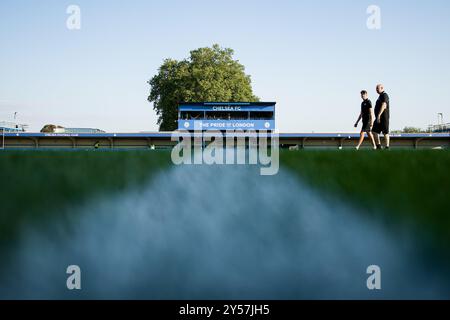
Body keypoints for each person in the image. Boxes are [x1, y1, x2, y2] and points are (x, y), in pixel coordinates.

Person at [372, 84, 390, 149]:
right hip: (378, 118)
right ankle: (379, 146)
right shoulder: (380, 96)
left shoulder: (384, 95)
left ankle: (387, 147)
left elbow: (384, 105)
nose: (376, 90)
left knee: (385, 132)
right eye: (376, 88)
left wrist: (379, 115)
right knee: (374, 131)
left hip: (384, 117)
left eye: (377, 88)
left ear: (382, 88)